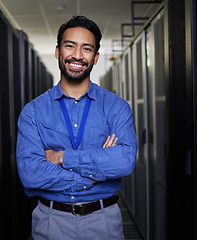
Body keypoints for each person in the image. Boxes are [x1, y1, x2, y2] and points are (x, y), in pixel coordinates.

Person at [16, 15, 137, 240]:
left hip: (103, 221)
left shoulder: (116, 107)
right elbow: (30, 174)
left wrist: (61, 157)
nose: (77, 56)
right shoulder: (33, 111)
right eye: (70, 46)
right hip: (51, 222)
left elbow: (124, 160)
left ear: (96, 56)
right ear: (57, 51)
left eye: (87, 48)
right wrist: (95, 174)